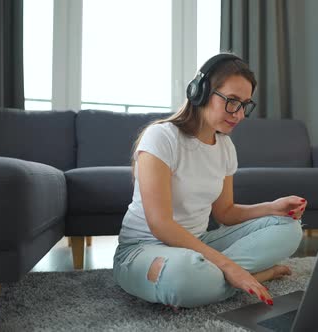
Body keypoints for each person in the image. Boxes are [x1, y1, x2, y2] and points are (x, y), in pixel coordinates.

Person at [113, 53, 307, 309]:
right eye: (232, 101)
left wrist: (272, 207)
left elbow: (225, 212)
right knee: (183, 277)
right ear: (200, 92)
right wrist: (228, 266)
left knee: (289, 228)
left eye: (245, 104)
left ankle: (211, 279)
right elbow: (160, 224)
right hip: (142, 249)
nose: (239, 114)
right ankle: (249, 275)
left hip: (198, 243)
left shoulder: (225, 147)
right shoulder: (161, 137)